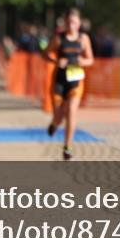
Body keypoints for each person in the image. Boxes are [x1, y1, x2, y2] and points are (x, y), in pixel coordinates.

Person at [44, 8, 95, 160]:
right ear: (65, 24)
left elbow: (91, 59)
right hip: (59, 80)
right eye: (68, 22)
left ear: (79, 23)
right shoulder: (58, 38)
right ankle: (54, 123)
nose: (71, 25)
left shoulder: (83, 39)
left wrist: (83, 61)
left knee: (72, 110)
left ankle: (67, 147)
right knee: (59, 116)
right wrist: (56, 61)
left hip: (76, 80)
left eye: (74, 22)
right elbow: (45, 54)